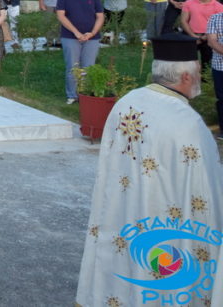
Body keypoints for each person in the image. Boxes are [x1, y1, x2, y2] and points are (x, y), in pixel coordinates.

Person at [76, 36, 223, 307]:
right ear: (188, 77)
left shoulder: (126, 103)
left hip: (125, 215)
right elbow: (206, 187)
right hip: (167, 223)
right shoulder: (189, 123)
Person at [56, 0, 104, 105]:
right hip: (70, 37)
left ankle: (86, 94)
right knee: (73, 67)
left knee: (89, 67)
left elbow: (100, 16)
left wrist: (92, 33)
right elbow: (61, 15)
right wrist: (76, 33)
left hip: (91, 38)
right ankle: (72, 95)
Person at [180, 0, 223, 72]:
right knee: (186, 62)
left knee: (207, 63)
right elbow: (183, 21)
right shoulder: (189, 3)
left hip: (209, 37)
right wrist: (193, 36)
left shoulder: (219, 7)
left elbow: (219, 26)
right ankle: (188, 79)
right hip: (190, 34)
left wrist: (203, 38)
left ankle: (205, 82)